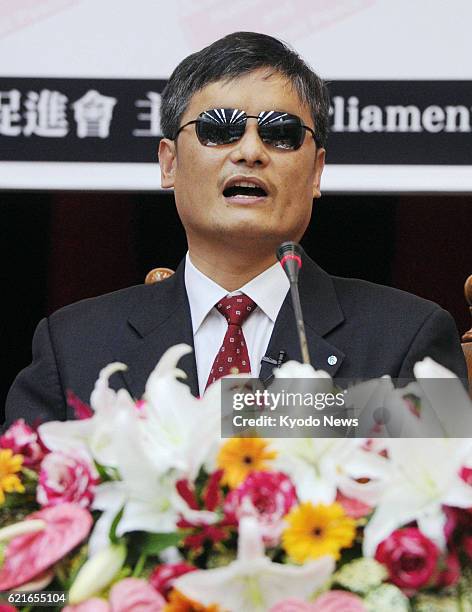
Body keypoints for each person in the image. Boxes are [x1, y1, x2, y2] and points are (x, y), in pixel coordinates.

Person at [4, 32, 467, 426]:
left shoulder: (404, 336)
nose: (250, 151)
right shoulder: (75, 344)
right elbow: (20, 512)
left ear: (317, 171)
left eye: (280, 133)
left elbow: (442, 518)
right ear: (169, 162)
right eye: (218, 129)